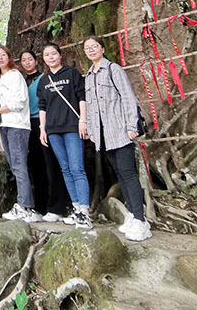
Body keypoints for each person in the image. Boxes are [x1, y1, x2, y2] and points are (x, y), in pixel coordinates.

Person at [83, 35, 151, 242]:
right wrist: (92, 131)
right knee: (120, 174)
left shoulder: (114, 69)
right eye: (87, 48)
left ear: (102, 49)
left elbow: (128, 98)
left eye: (94, 46)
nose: (91, 50)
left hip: (120, 130)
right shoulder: (88, 76)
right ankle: (132, 214)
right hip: (104, 135)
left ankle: (141, 220)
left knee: (128, 173)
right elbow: (91, 107)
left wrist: (131, 126)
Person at [37, 43, 91, 229]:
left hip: (72, 127)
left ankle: (84, 212)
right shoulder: (44, 81)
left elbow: (82, 97)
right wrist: (42, 129)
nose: (51, 57)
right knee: (66, 169)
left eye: (54, 53)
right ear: (43, 59)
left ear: (60, 55)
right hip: (53, 130)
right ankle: (76, 208)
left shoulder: (71, 73)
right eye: (47, 55)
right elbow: (42, 106)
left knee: (77, 168)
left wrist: (83, 120)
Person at [0, 46, 38, 222]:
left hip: (17, 125)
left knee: (19, 165)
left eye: (3, 55)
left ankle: (25, 206)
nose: (0, 58)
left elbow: (20, 101)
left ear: (9, 57)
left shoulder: (15, 75)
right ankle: (24, 205)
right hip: (4, 125)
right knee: (15, 165)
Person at [20, 50, 70, 221]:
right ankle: (40, 207)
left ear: (36, 61)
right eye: (24, 60)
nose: (27, 62)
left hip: (45, 123)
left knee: (52, 164)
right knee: (36, 167)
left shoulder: (45, 78)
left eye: (30, 59)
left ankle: (57, 206)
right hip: (27, 125)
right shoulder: (20, 81)